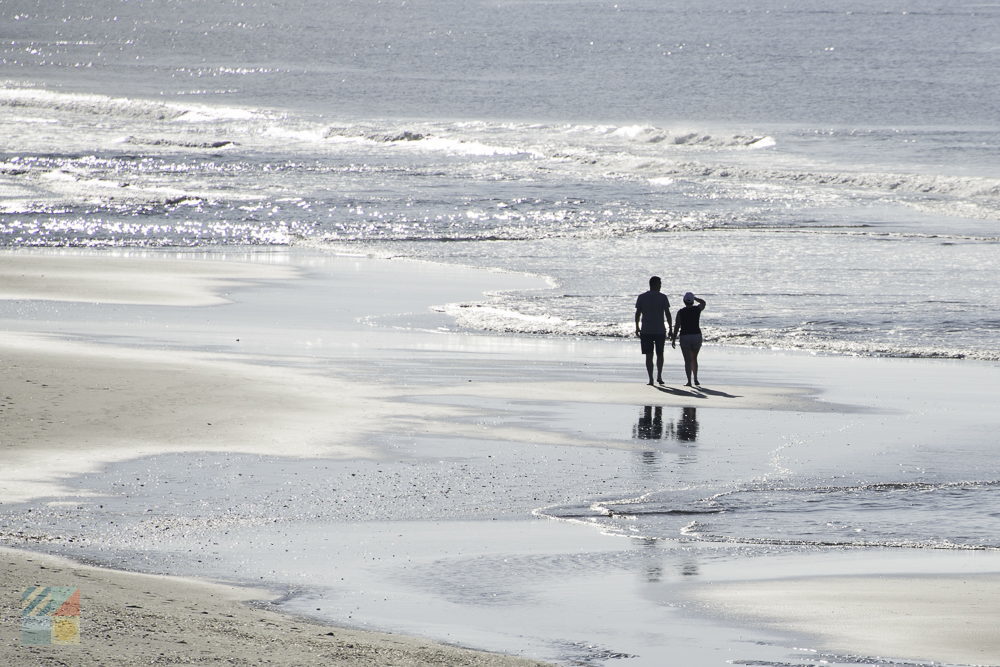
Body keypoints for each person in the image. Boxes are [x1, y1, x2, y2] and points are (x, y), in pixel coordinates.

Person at [634, 276, 672, 385]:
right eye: (659, 283)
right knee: (660, 354)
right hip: (659, 330)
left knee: (649, 355)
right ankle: (659, 376)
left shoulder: (642, 297)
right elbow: (667, 314)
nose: (661, 285)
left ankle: (651, 378)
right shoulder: (663, 297)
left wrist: (637, 326)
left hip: (646, 330)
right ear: (655, 284)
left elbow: (638, 313)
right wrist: (670, 328)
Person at [671, 292, 706, 387]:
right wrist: (695, 298)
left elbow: (677, 326)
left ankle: (689, 382)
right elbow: (703, 302)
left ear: (684, 301)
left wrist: (674, 338)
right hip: (696, 336)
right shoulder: (697, 309)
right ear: (692, 301)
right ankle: (695, 379)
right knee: (694, 358)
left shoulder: (681, 312)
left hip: (685, 337)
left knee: (687, 360)